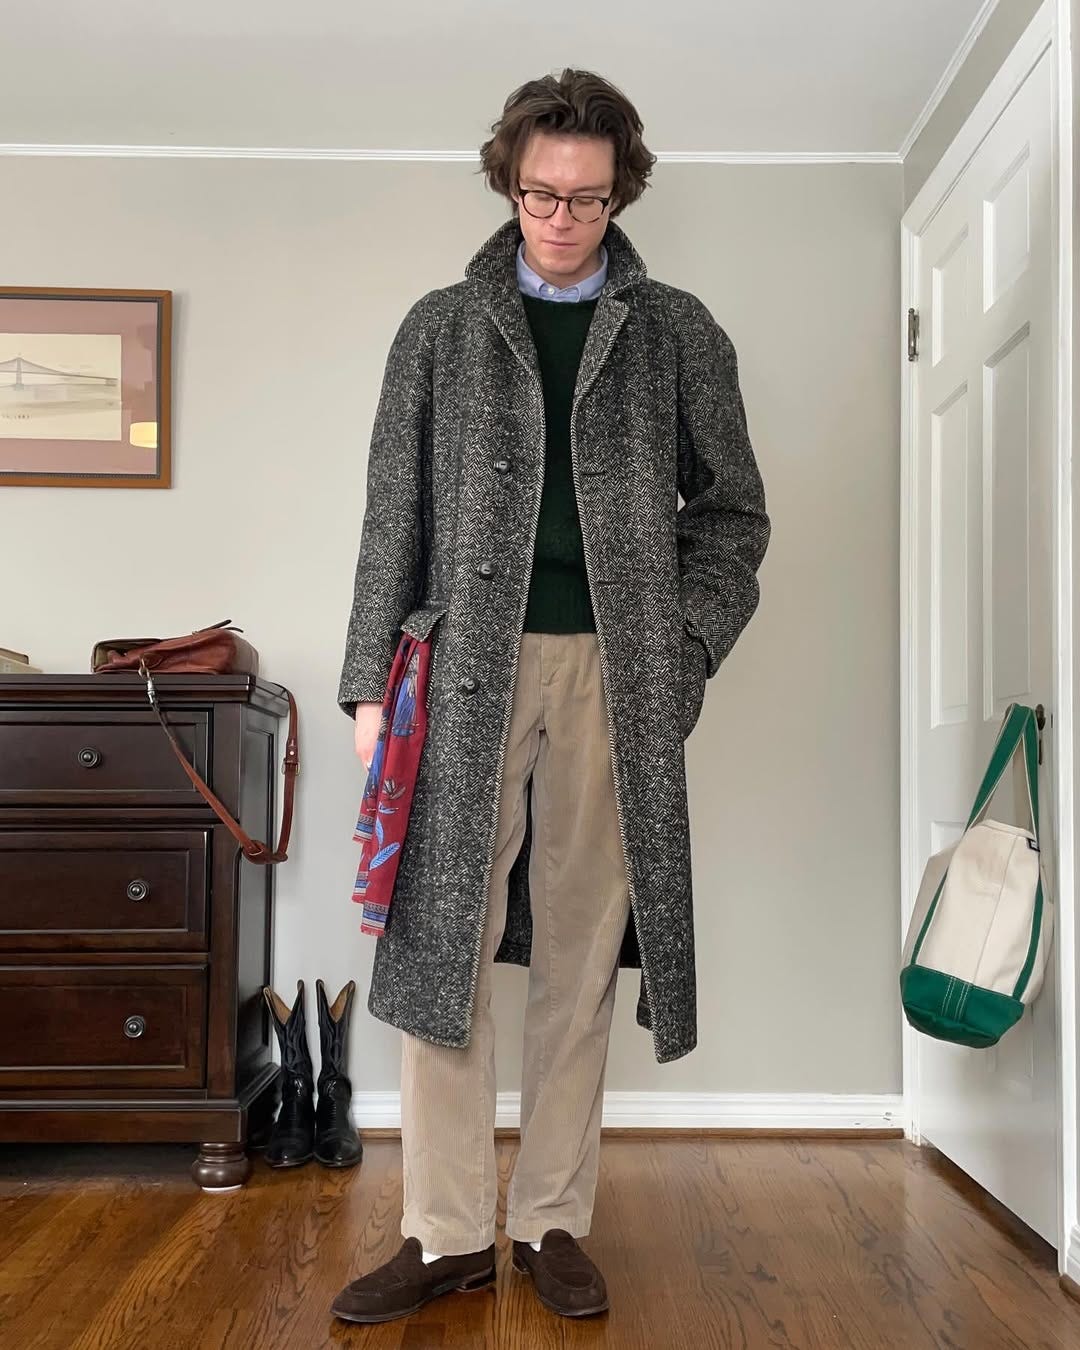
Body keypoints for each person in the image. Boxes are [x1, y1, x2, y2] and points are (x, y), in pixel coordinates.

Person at [331, 67, 771, 1325]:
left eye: (584, 195)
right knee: (439, 951)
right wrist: (371, 683)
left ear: (621, 189)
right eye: (539, 192)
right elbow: (391, 519)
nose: (560, 216)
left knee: (580, 958)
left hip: (618, 678)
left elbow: (733, 516)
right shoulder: (438, 327)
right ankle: (447, 1231)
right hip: (459, 670)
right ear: (508, 181)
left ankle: (553, 1220)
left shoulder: (680, 331)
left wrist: (682, 651)